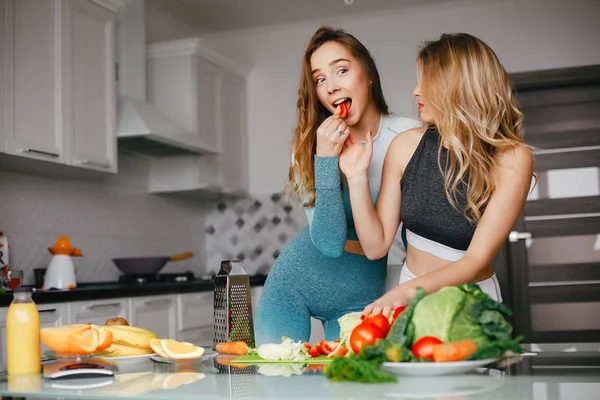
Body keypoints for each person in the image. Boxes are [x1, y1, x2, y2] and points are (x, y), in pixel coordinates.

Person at [339, 33, 535, 318]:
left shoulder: (513, 159)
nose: (415, 91)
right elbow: (375, 246)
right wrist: (356, 177)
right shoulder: (405, 145)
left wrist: (407, 291)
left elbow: (477, 260)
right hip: (410, 294)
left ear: (455, 86)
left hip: (471, 303)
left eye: (426, 82)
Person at [254, 26, 421, 345]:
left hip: (363, 288)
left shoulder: (407, 137)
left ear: (367, 74)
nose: (331, 87)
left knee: (354, 387)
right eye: (320, 79)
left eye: (341, 70)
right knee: (278, 383)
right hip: (293, 286)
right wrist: (326, 160)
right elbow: (329, 243)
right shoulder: (307, 148)